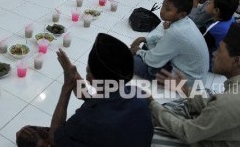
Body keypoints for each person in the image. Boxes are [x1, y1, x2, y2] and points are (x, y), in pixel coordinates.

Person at [150, 23, 240, 146]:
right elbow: (217, 107)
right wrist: (186, 90)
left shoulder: (228, 102)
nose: (214, 53)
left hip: (201, 134)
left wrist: (152, 103)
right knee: (201, 96)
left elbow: (186, 133)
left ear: (236, 61)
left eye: (220, 50)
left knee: (152, 134)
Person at [16, 34, 154, 146]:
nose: (86, 77)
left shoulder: (88, 120)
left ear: (93, 79)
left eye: (88, 72)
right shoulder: (136, 93)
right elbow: (94, 100)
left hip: (103, 134)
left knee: (25, 137)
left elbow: (54, 138)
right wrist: (72, 74)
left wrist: (67, 87)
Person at [131, 0, 208, 83]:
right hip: (195, 73)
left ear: (181, 14)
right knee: (147, 45)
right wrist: (144, 39)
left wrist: (137, 50)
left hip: (186, 81)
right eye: (163, 5)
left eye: (167, 9)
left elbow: (152, 60)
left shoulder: (176, 32)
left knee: (130, 61)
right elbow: (166, 41)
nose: (162, 11)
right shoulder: (186, 21)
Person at [203, 0, 238, 70]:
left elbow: (200, 46)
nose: (207, 2)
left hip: (213, 64)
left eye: (210, 2)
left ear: (216, 10)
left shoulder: (214, 29)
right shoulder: (230, 19)